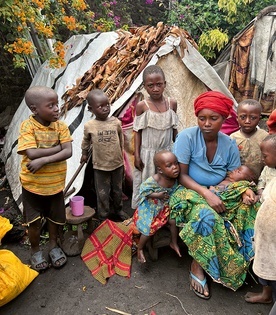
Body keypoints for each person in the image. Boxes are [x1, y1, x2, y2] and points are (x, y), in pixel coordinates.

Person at [170, 90, 260, 299]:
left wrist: (243, 190)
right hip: (189, 192)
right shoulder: (187, 137)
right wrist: (206, 193)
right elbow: (181, 176)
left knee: (250, 207)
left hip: (221, 191)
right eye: (202, 118)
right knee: (206, 216)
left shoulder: (229, 145)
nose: (207, 123)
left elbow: (235, 177)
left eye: (213, 118)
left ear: (224, 119)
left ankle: (240, 261)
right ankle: (198, 264)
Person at [17, 86, 72, 272]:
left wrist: (44, 160)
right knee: (33, 223)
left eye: (57, 104)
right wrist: (58, 149)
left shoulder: (61, 127)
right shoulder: (28, 126)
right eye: (51, 105)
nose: (57, 108)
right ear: (35, 109)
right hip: (32, 187)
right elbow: (31, 153)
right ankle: (35, 250)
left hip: (55, 186)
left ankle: (54, 246)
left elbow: (69, 151)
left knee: (54, 219)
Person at [131, 65, 178, 210]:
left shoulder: (172, 104)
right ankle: (144, 214)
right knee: (147, 183)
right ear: (145, 87)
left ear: (165, 84)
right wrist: (137, 155)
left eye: (159, 84)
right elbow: (137, 131)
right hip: (148, 153)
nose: (155, 89)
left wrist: (177, 151)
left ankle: (163, 214)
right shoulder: (142, 106)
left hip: (166, 153)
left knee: (166, 184)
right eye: (150, 86)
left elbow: (174, 129)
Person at [80, 89, 129, 221]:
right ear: (91, 109)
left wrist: (121, 157)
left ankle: (119, 210)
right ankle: (103, 215)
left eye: (107, 104)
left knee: (118, 190)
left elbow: (121, 141)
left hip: (117, 164)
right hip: (100, 167)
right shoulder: (90, 125)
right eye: (100, 106)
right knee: (102, 193)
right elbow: (85, 141)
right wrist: (84, 154)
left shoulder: (116, 123)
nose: (105, 108)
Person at [132, 150, 181, 263]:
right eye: (169, 166)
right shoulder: (154, 180)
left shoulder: (175, 180)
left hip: (164, 209)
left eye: (176, 163)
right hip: (150, 209)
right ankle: (140, 248)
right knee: (149, 228)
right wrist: (157, 195)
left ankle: (173, 242)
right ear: (160, 170)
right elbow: (143, 191)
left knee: (173, 221)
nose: (175, 167)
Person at [245, 134, 276, 305]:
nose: (262, 160)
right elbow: (261, 183)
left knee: (273, 267)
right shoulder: (268, 169)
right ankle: (266, 294)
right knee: (264, 264)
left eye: (265, 156)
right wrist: (258, 193)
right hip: (264, 232)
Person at [250, 177, 276, 315]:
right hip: (264, 245)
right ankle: (266, 296)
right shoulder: (274, 181)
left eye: (265, 155)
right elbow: (263, 197)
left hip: (273, 249)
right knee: (264, 275)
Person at [230, 99, 268, 179]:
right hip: (237, 180)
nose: (247, 121)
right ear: (237, 118)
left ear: (259, 119)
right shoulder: (232, 138)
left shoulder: (265, 137)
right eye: (243, 117)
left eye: (253, 118)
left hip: (260, 179)